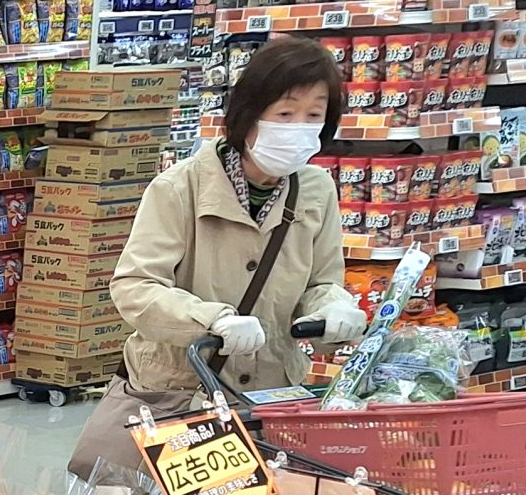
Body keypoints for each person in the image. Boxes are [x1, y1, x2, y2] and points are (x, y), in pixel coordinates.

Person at [108, 34, 366, 408]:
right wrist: (211, 320)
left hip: (273, 390)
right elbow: (136, 286)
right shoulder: (179, 188)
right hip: (182, 390)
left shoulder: (316, 189)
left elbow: (321, 281)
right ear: (248, 114)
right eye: (285, 114)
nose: (299, 128)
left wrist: (333, 308)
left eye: (314, 116)